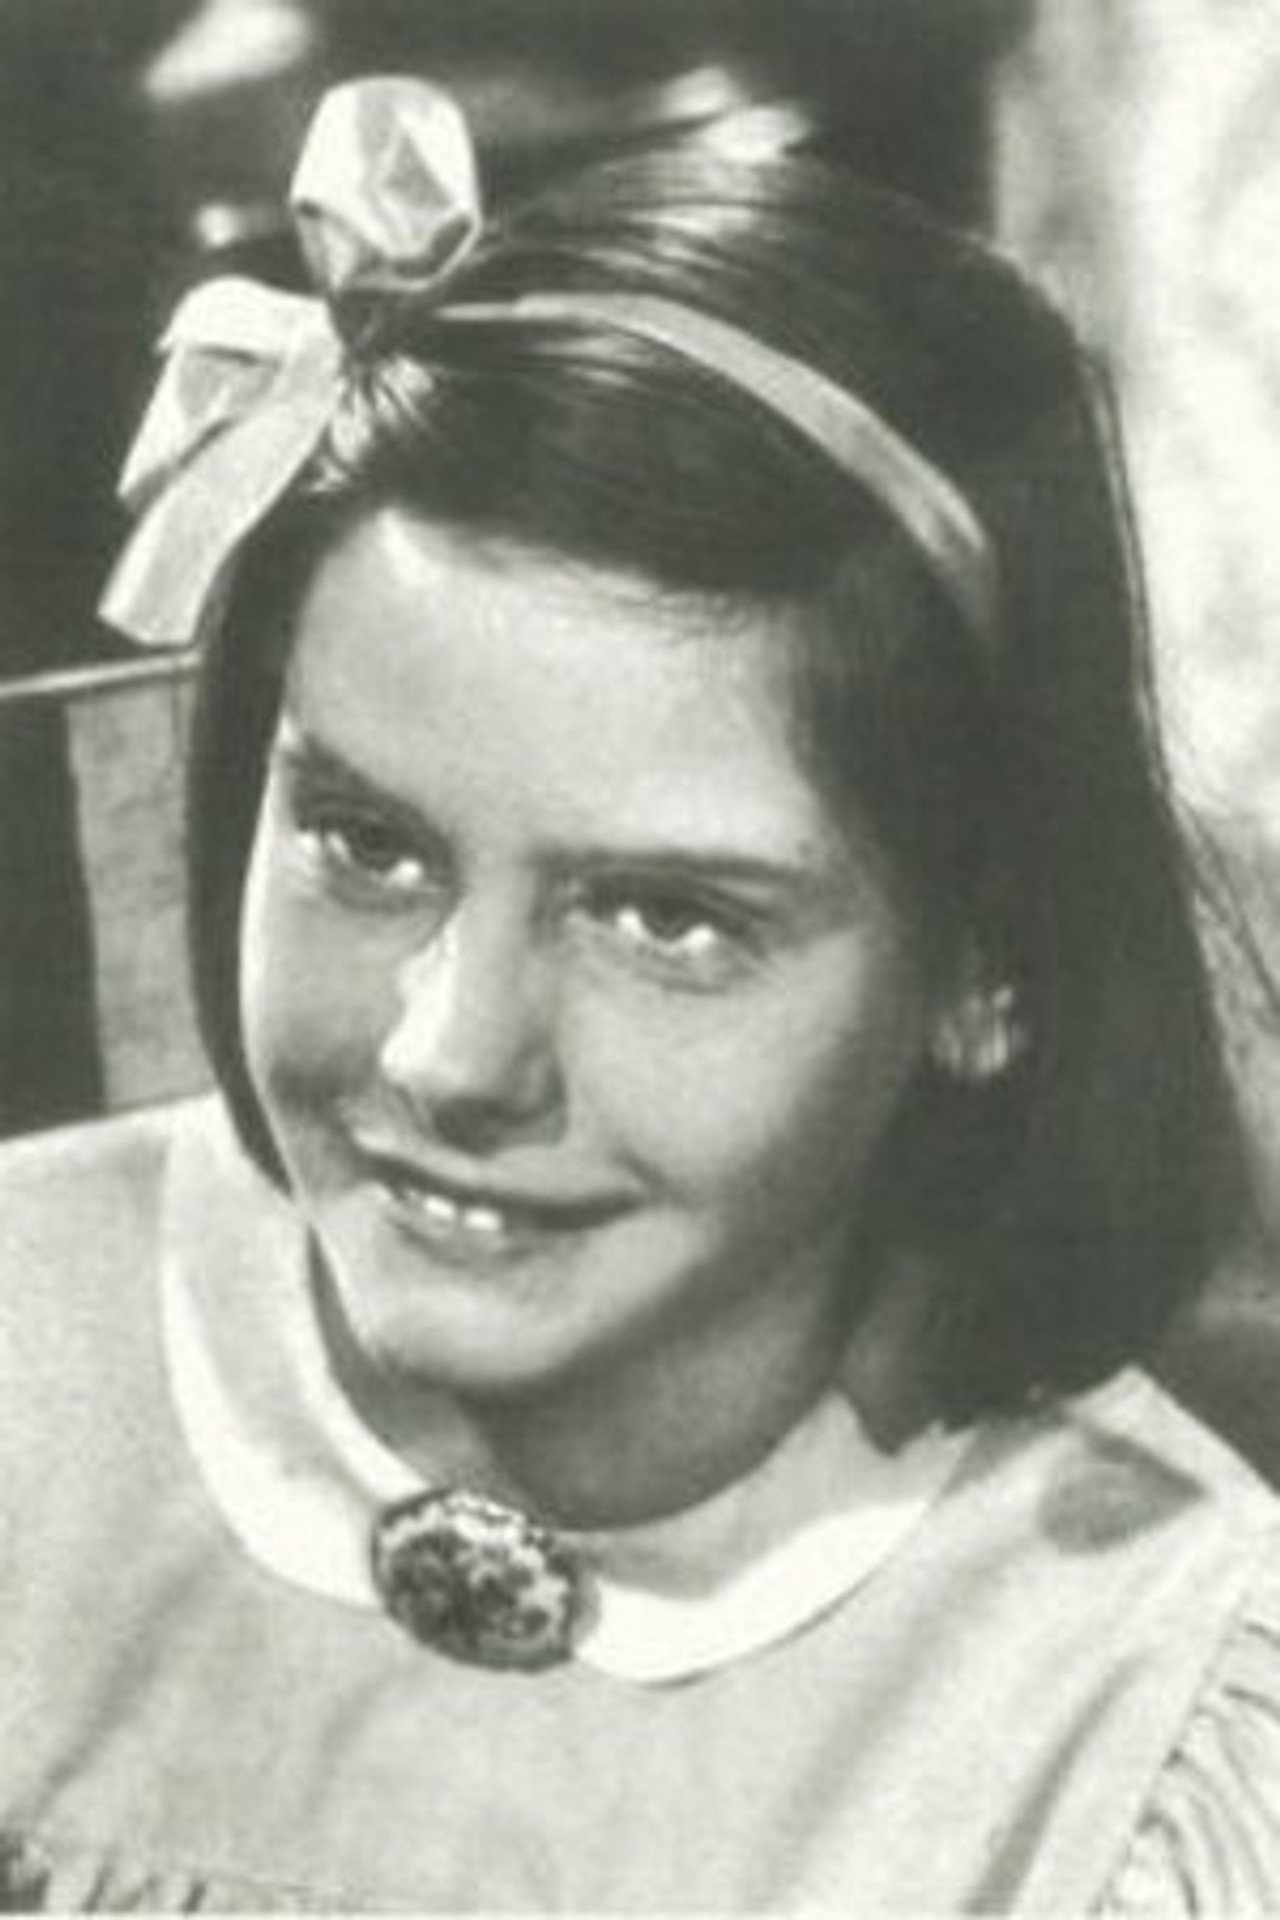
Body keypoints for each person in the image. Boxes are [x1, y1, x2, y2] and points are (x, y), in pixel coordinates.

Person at [1, 74, 1278, 1914]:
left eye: (666, 921)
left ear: (983, 969)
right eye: (366, 844)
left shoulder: (1131, 1704)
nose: (448, 1055)